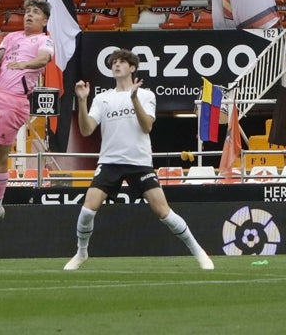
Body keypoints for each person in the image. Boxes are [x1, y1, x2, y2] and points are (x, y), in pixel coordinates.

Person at [64, 49, 214, 272]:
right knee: (87, 209)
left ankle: (199, 252)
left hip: (139, 162)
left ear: (132, 68)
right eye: (114, 62)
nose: (116, 65)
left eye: (122, 62)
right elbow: (86, 130)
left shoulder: (146, 95)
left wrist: (134, 99)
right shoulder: (103, 98)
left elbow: (147, 126)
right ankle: (81, 252)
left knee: (164, 212)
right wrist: (83, 101)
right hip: (110, 162)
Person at [0, 0, 53, 230]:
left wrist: (25, 65)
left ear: (44, 20)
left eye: (35, 12)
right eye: (27, 11)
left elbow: (43, 59)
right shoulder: (11, 37)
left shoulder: (45, 40)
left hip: (15, 101)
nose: (29, 15)